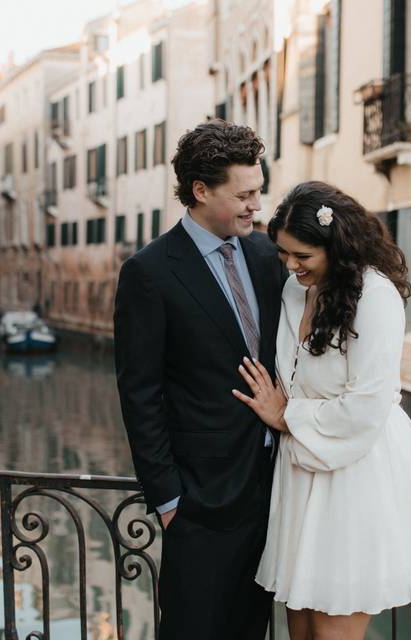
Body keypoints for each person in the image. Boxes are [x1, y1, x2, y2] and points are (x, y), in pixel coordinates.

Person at [233, 181, 411, 640]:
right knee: (300, 627)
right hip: (302, 466)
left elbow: (367, 406)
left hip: (356, 469)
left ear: (336, 246)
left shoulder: (375, 296)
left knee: (332, 630)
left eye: (302, 256)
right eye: (284, 254)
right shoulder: (291, 292)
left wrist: (286, 416)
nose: (290, 265)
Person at [114, 120, 285, 640]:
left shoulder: (265, 254)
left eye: (259, 191)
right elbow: (140, 393)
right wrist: (168, 501)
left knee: (251, 630)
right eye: (245, 194)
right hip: (198, 501)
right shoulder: (149, 272)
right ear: (201, 190)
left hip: (274, 486)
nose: (257, 205)